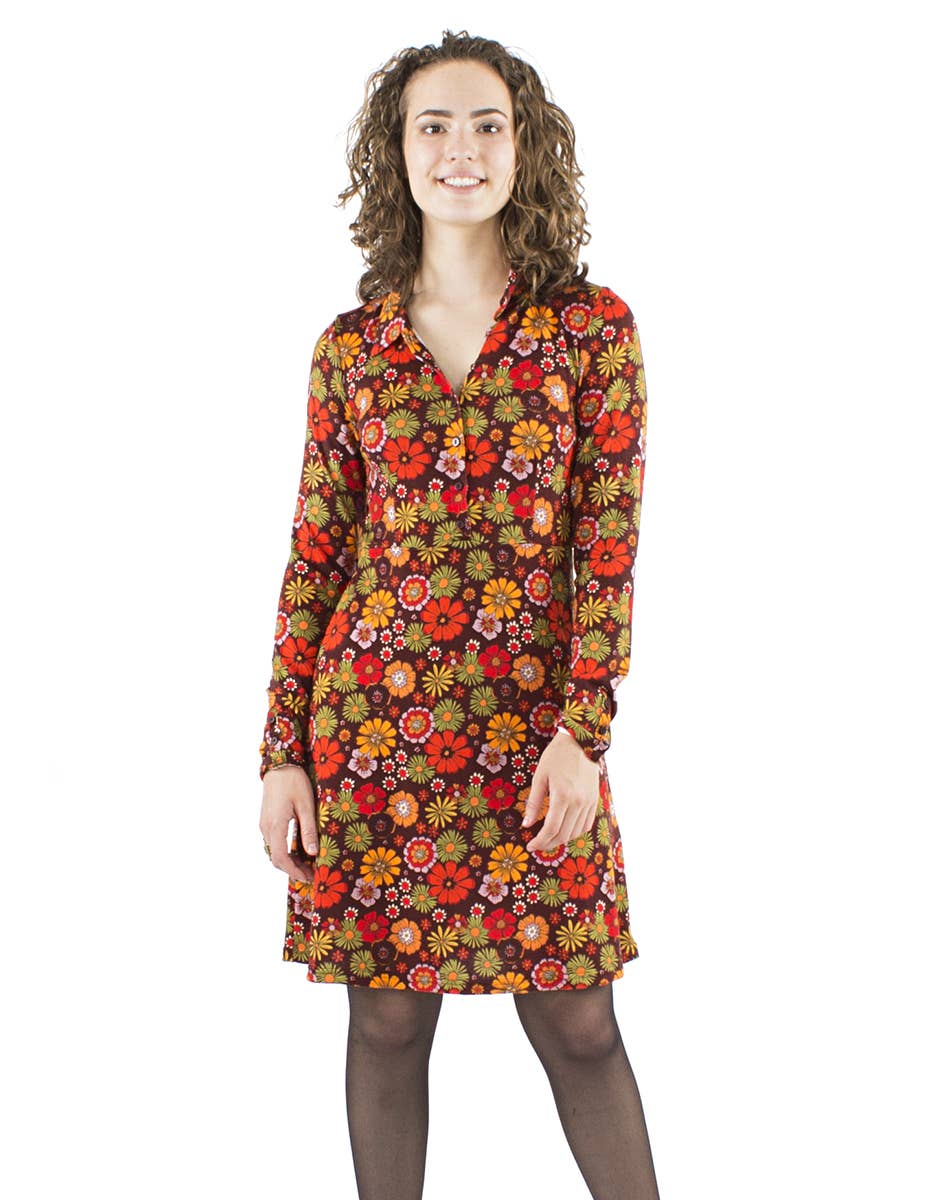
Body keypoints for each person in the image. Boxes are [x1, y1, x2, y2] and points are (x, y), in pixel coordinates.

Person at [257, 30, 660, 1200]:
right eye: (432, 126)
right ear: (397, 154)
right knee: (386, 1024)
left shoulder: (591, 330)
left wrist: (584, 734)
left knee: (580, 1024)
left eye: (487, 124)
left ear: (525, 149)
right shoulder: (351, 351)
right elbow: (317, 555)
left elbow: (608, 546)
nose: (460, 149)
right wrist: (283, 753)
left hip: (537, 739)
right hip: (374, 737)